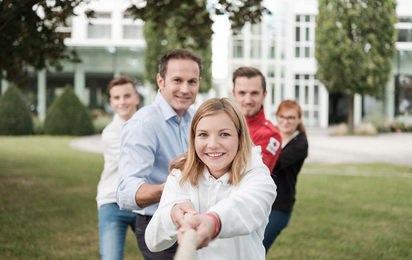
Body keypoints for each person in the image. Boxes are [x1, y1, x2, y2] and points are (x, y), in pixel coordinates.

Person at [145, 98, 277, 260]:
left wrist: (213, 222)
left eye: (224, 134)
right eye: (203, 135)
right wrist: (172, 215)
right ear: (194, 138)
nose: (213, 144)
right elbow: (153, 241)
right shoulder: (181, 175)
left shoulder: (256, 175)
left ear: (240, 137)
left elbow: (246, 206)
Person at [116, 49, 202, 259]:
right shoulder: (143, 124)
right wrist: (173, 188)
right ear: (160, 81)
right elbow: (126, 193)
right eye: (177, 80)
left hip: (192, 220)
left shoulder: (195, 118)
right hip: (157, 223)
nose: (185, 89)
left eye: (192, 81)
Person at [96, 75, 140, 260]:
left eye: (127, 96)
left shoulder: (149, 124)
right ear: (111, 102)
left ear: (136, 98)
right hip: (113, 202)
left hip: (144, 204)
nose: (122, 102)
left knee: (163, 255)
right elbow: (134, 165)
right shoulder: (111, 133)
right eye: (116, 97)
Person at [263, 100, 309, 253]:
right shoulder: (271, 134)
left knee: (258, 250)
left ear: (299, 119)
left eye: (291, 117)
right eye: (281, 116)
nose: (285, 121)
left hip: (279, 206)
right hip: (261, 200)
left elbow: (275, 163)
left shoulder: (300, 143)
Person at [232, 67, 282, 172]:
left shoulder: (271, 135)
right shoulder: (223, 124)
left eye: (254, 93)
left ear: (264, 95)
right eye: (242, 93)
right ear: (234, 94)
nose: (248, 100)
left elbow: (251, 172)